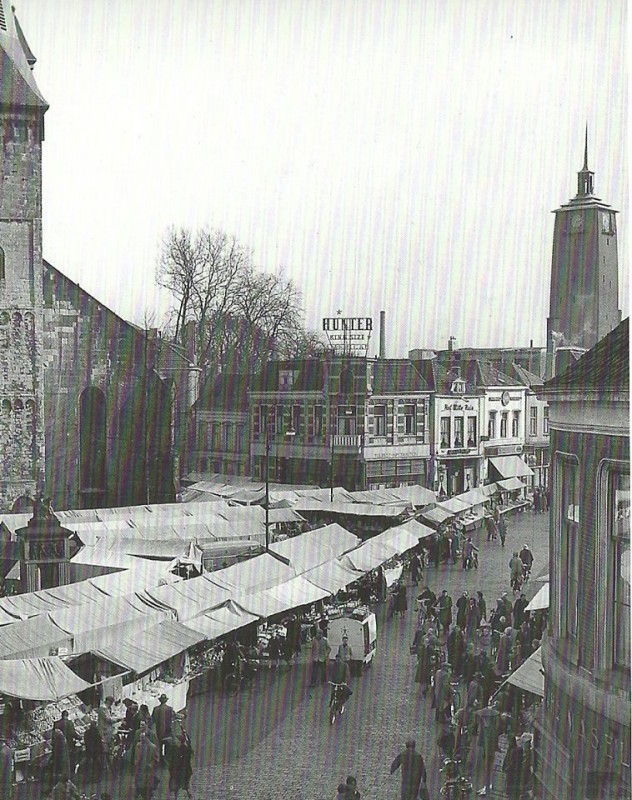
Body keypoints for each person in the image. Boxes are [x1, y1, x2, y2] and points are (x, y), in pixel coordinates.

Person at [167, 722, 194, 799]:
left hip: (183, 770)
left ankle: (188, 793)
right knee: (176, 786)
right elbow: (171, 758)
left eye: (176, 740)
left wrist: (184, 731)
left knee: (185, 784)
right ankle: (176, 797)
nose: (175, 741)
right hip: (175, 770)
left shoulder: (185, 749)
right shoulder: (174, 748)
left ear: (180, 741)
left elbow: (187, 760)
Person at [134, 726, 159, 800]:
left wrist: (151, 765)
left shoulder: (153, 747)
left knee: (147, 787)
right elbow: (135, 756)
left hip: (148, 771)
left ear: (146, 737)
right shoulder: (138, 745)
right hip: (139, 769)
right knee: (139, 784)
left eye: (142, 738)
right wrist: (136, 762)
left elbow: (156, 759)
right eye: (140, 738)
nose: (140, 739)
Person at [152, 693, 176, 765]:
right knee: (167, 745)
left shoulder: (156, 709)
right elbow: (175, 715)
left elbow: (152, 719)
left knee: (159, 744)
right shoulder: (169, 709)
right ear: (166, 701)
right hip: (167, 730)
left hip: (159, 730)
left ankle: (160, 759)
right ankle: (166, 759)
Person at [97, 695, 115, 761]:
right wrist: (117, 719)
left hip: (106, 731)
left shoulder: (106, 708)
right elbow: (108, 719)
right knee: (105, 748)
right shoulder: (103, 708)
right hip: (104, 731)